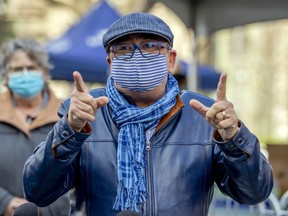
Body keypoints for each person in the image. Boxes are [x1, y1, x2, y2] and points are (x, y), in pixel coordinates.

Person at [22, 13, 273, 216]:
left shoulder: (205, 114)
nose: (137, 56)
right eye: (123, 49)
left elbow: (253, 193)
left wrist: (233, 138)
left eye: (151, 47)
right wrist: (70, 131)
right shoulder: (84, 113)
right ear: (110, 63)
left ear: (170, 60)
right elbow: (38, 191)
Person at [0, 38, 70, 216]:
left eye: (31, 68)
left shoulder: (68, 115)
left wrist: (42, 210)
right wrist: (5, 203)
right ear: (6, 75)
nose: (25, 74)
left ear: (44, 72)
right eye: (17, 69)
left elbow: (78, 171)